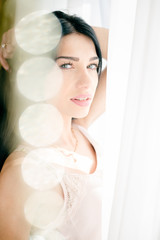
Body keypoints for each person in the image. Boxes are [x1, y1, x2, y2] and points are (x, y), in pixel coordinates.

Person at [0, 10, 108, 240]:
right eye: (67, 66)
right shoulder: (21, 170)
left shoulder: (81, 130)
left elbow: (136, 48)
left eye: (92, 66)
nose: (87, 81)